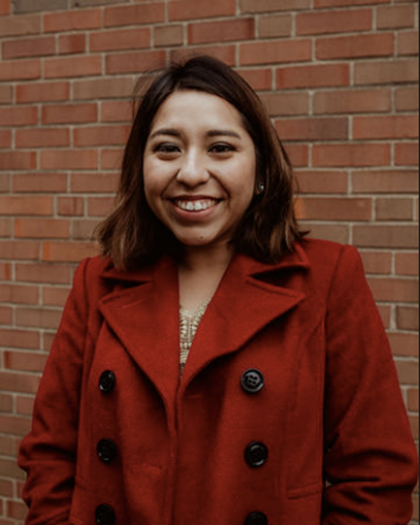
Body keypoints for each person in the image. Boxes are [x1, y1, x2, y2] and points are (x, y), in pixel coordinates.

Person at [18, 55, 417, 525]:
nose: (190, 172)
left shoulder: (328, 278)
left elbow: (375, 473)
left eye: (221, 148)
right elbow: (50, 453)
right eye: (167, 149)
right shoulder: (97, 281)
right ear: (140, 166)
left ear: (261, 166)